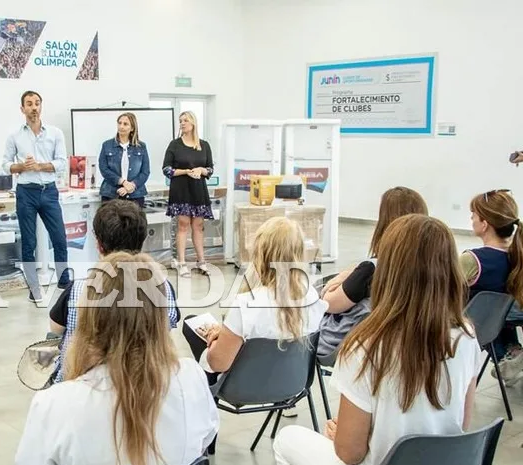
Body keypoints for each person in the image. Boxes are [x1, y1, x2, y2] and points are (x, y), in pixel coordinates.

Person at [274, 214, 481, 465]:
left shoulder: (367, 348)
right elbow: (459, 424)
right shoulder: (466, 337)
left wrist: (343, 436)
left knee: (287, 440)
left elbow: (350, 454)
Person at [2, 251, 219, 465]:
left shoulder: (57, 402)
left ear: (91, 319)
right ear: (160, 314)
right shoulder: (190, 377)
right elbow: (204, 442)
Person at [184, 217, 327, 384]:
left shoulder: (246, 304)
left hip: (242, 386)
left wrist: (214, 340)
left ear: (261, 255)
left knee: (191, 324)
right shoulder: (312, 296)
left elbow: (218, 364)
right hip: (293, 383)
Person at [50, 200, 180, 383]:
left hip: (81, 381)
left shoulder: (78, 290)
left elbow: (55, 328)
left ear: (99, 245)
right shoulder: (163, 288)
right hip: (146, 382)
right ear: (142, 241)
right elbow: (168, 329)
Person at [317, 186, 427, 357]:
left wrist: (340, 279)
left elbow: (329, 303)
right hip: (397, 347)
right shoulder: (427, 268)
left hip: (348, 345)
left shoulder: (371, 271)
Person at [2, 90, 70, 302]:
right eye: (29, 104)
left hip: (48, 191)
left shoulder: (55, 133)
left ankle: (64, 282)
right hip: (26, 193)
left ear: (41, 106)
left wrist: (41, 166)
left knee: (59, 238)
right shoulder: (14, 135)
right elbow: (5, 165)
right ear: (22, 109)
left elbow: (62, 163)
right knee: (29, 243)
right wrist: (21, 166)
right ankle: (34, 288)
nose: (34, 107)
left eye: (37, 103)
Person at [460, 189, 523, 384]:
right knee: (495, 304)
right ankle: (512, 352)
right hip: (502, 320)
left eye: (474, 216)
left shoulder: (472, 259)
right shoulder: (516, 256)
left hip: (472, 326)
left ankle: (509, 356)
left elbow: (442, 291)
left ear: (485, 224)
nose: (471, 219)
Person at [162, 111, 215, 278]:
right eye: (180, 121)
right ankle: (182, 262)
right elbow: (166, 169)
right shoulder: (174, 145)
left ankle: (201, 261)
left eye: (185, 120)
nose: (182, 123)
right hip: (181, 189)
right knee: (183, 224)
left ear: (193, 123)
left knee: (198, 226)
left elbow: (210, 168)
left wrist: (202, 170)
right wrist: (185, 171)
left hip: (198, 190)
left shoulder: (204, 145)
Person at [97, 112, 150, 208]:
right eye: (119, 123)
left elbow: (145, 172)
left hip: (135, 195)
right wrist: (123, 182)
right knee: (110, 222)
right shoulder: (107, 145)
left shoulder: (141, 147)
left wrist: (131, 186)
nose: (121, 126)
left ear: (132, 128)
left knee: (134, 223)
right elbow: (104, 169)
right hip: (111, 194)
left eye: (125, 124)